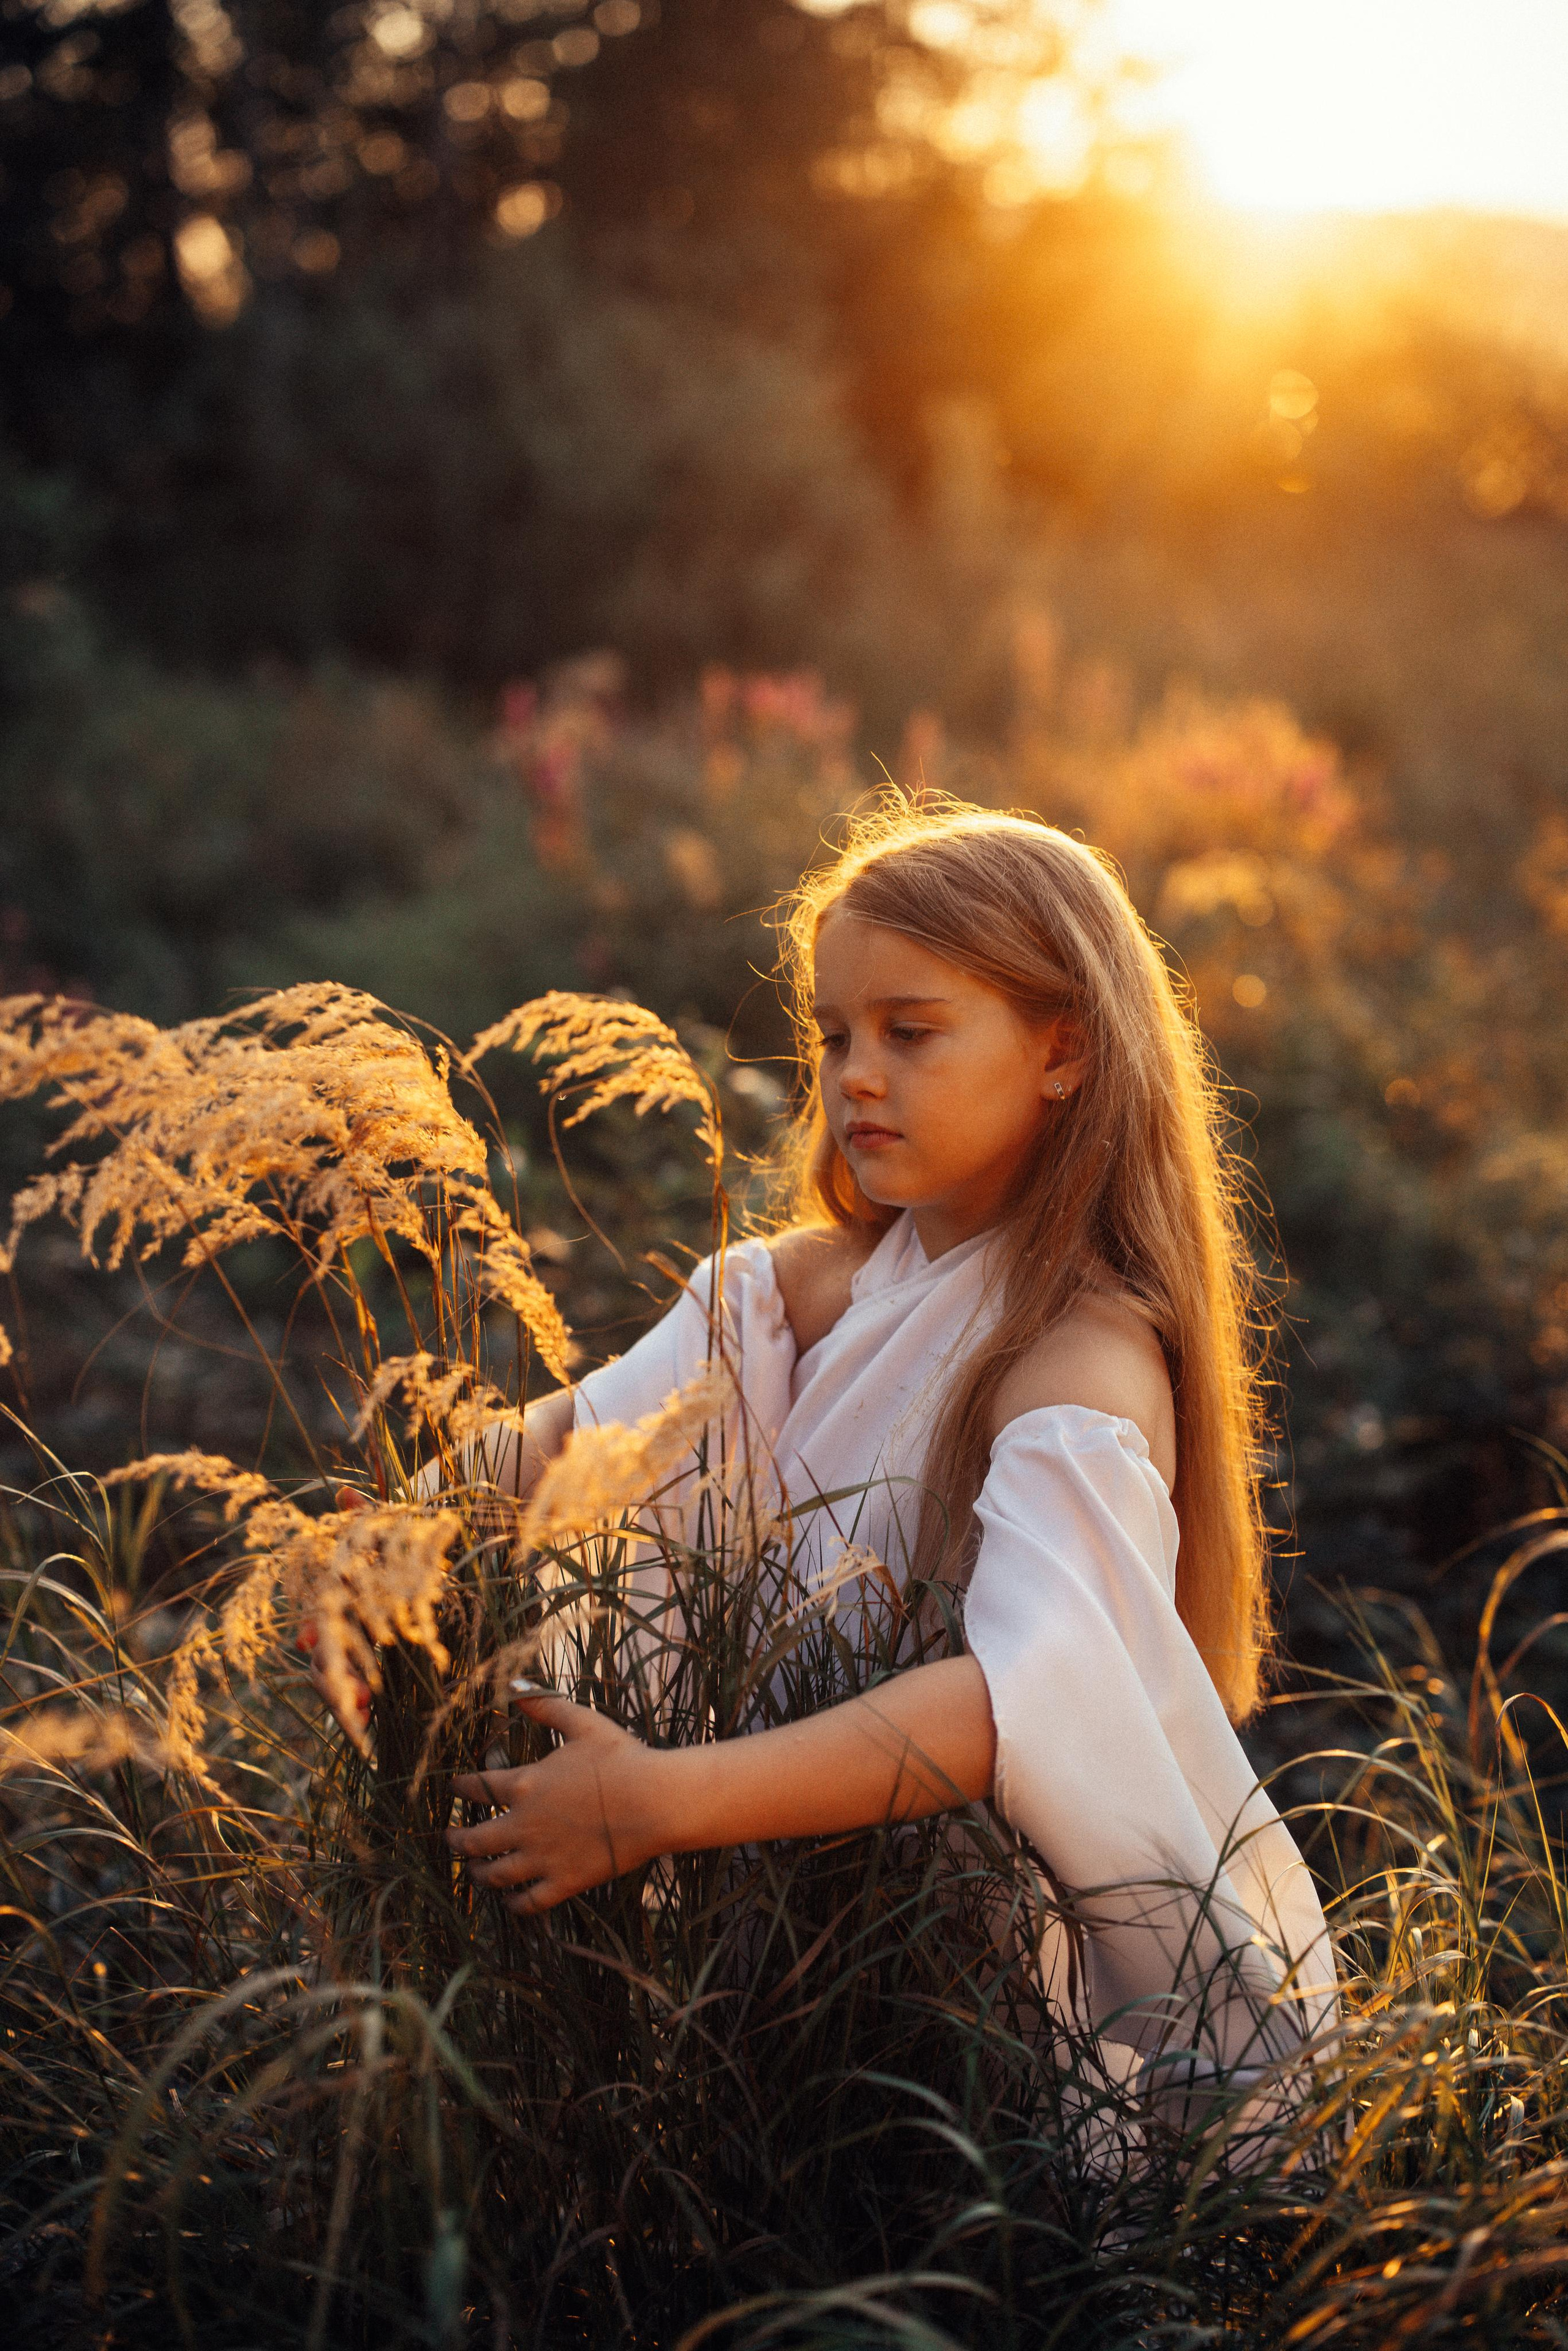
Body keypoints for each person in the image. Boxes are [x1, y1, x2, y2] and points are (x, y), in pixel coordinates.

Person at [317, 801, 1336, 2087]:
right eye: (835, 1032)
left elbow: (1019, 1694)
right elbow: (577, 1436)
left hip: (966, 1994)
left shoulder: (1078, 1355)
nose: (855, 1072)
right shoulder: (802, 1290)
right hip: (765, 1940)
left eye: (911, 1033)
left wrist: (660, 1800)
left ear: (1062, 1049)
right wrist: (396, 1524)